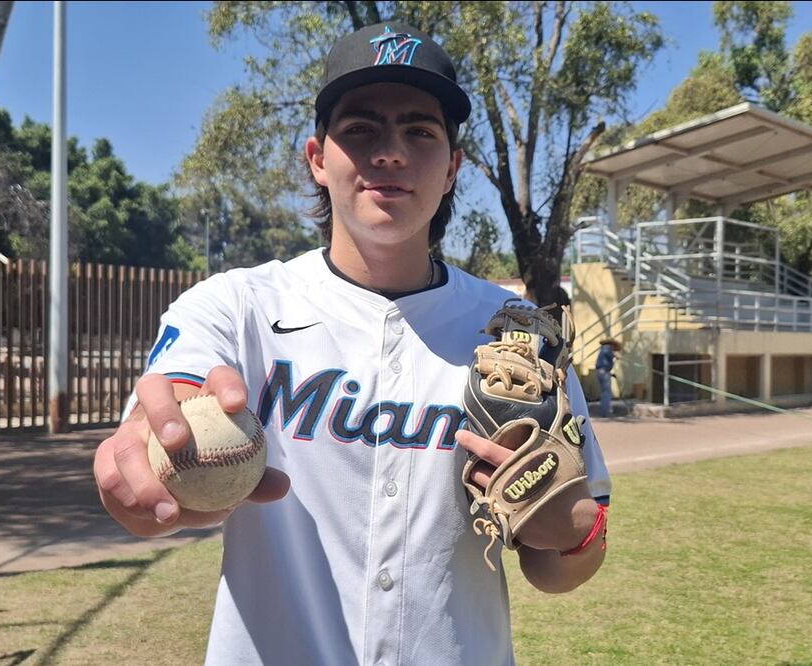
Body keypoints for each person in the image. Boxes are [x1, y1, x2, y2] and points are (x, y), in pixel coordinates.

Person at [93, 22, 611, 665]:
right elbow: (157, 429)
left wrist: (569, 530)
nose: (389, 153)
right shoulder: (236, 306)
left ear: (452, 167)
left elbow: (561, 567)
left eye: (420, 132)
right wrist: (145, 462)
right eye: (361, 129)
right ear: (317, 157)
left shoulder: (519, 333)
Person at [596, 340, 618, 418]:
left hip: (602, 372)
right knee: (607, 393)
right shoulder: (607, 349)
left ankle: (604, 411)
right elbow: (609, 355)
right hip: (604, 372)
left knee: (604, 392)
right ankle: (606, 412)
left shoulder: (602, 350)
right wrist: (615, 356)